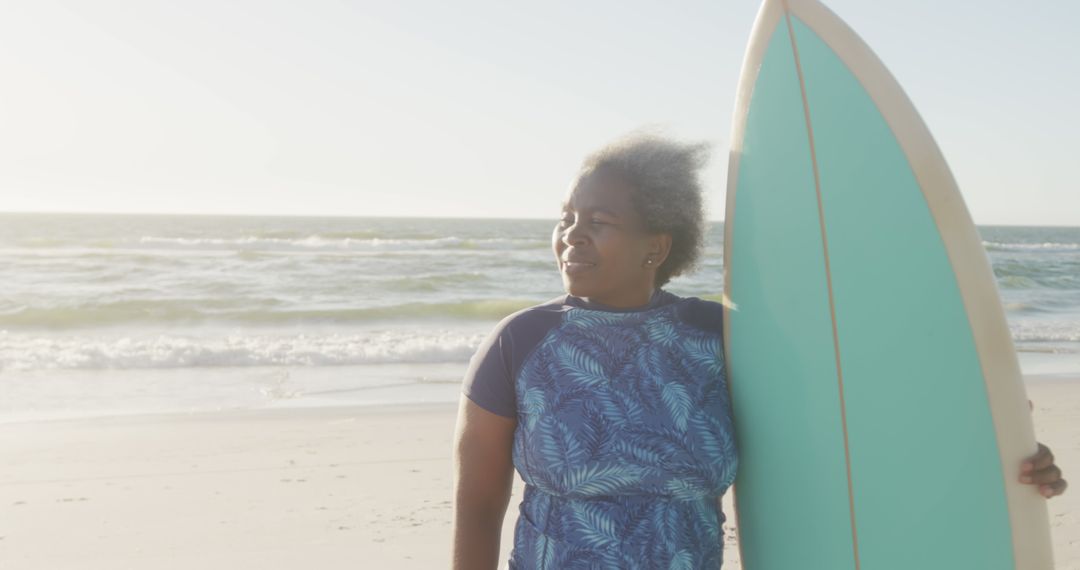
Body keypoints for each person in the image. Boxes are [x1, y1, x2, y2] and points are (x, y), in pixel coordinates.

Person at [451, 133, 1067, 569]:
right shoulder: (522, 343)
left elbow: (857, 420)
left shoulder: (723, 338)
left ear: (657, 246)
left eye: (600, 220)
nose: (571, 234)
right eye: (566, 217)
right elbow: (479, 505)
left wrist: (1000, 450)